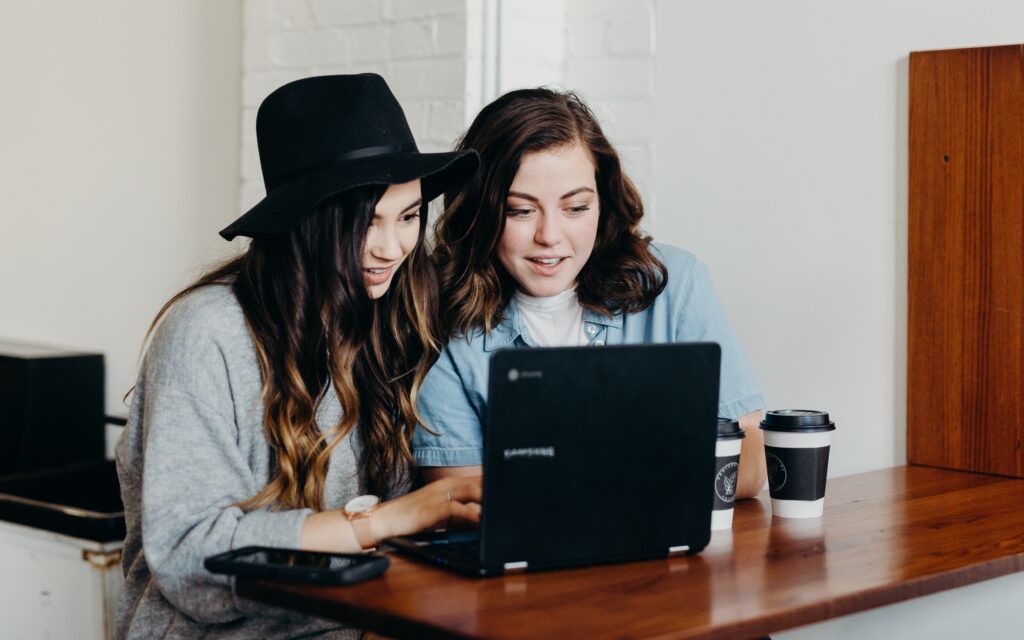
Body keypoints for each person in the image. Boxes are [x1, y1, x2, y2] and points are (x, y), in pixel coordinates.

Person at [115, 74, 481, 639]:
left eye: (408, 217)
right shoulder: (207, 333)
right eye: (365, 222)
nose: (392, 248)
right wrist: (382, 521)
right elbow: (191, 558)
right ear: (307, 221)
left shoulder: (390, 318)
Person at [413, 88, 767, 499]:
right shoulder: (440, 318)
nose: (549, 236)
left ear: (603, 202)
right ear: (481, 211)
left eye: (576, 208)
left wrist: (565, 479)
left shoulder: (674, 284)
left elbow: (749, 465)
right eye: (520, 211)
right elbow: (459, 499)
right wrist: (652, 464)